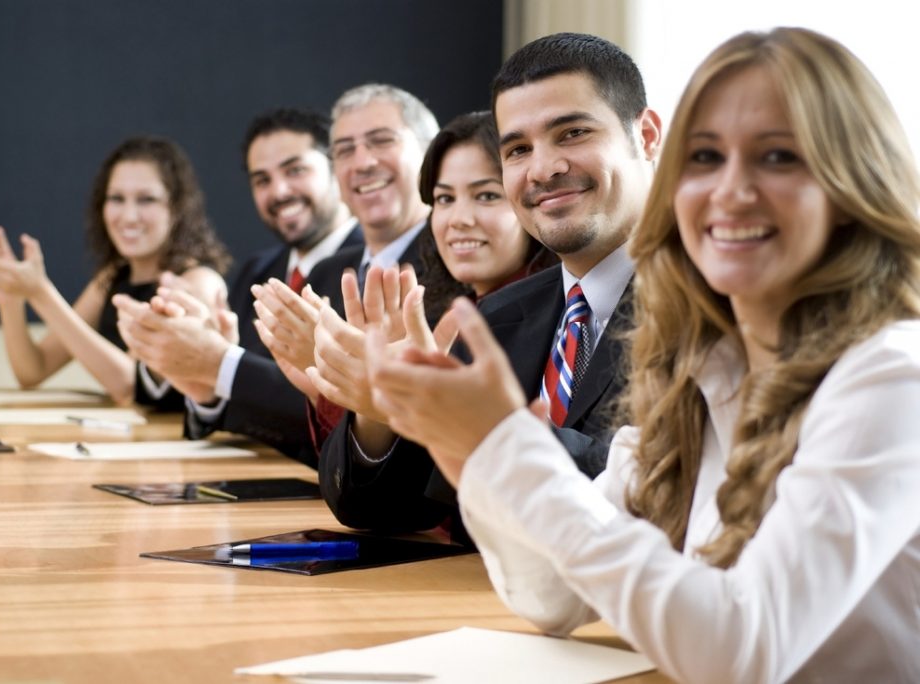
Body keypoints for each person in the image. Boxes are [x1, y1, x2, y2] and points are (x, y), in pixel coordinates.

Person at [366, 27, 920, 682]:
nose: (730, 191)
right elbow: (550, 597)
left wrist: (507, 445)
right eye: (706, 158)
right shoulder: (698, 364)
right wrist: (474, 452)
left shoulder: (893, 374)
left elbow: (744, 651)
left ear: (853, 183)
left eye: (778, 157)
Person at [316, 33, 661, 536]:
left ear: (647, 136)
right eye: (518, 149)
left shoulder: (718, 303)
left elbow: (674, 486)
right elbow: (389, 511)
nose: (544, 169)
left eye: (572, 134)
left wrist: (497, 431)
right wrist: (383, 410)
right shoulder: (498, 318)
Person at [114, 85, 438, 465]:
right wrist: (206, 388)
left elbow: (386, 426)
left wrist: (219, 363)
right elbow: (299, 418)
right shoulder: (321, 270)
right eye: (346, 150)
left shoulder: (455, 266)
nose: (362, 162)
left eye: (381, 141)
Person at [256, 111, 557, 464]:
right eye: (444, 199)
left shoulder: (559, 314)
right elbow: (380, 500)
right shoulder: (435, 307)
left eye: (487, 196)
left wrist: (384, 400)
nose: (459, 219)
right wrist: (335, 391)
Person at [0, 135, 231, 405]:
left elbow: (131, 386)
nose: (129, 216)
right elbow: (33, 370)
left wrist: (41, 292)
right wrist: (11, 299)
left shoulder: (198, 282)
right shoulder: (110, 278)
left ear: (177, 209)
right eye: (117, 198)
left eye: (147, 199)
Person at [128, 109, 362, 408]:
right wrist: (200, 377)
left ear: (336, 170)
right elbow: (239, 397)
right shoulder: (257, 271)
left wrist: (219, 362)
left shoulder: (374, 266)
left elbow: (341, 412)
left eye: (295, 170)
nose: (279, 191)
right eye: (262, 180)